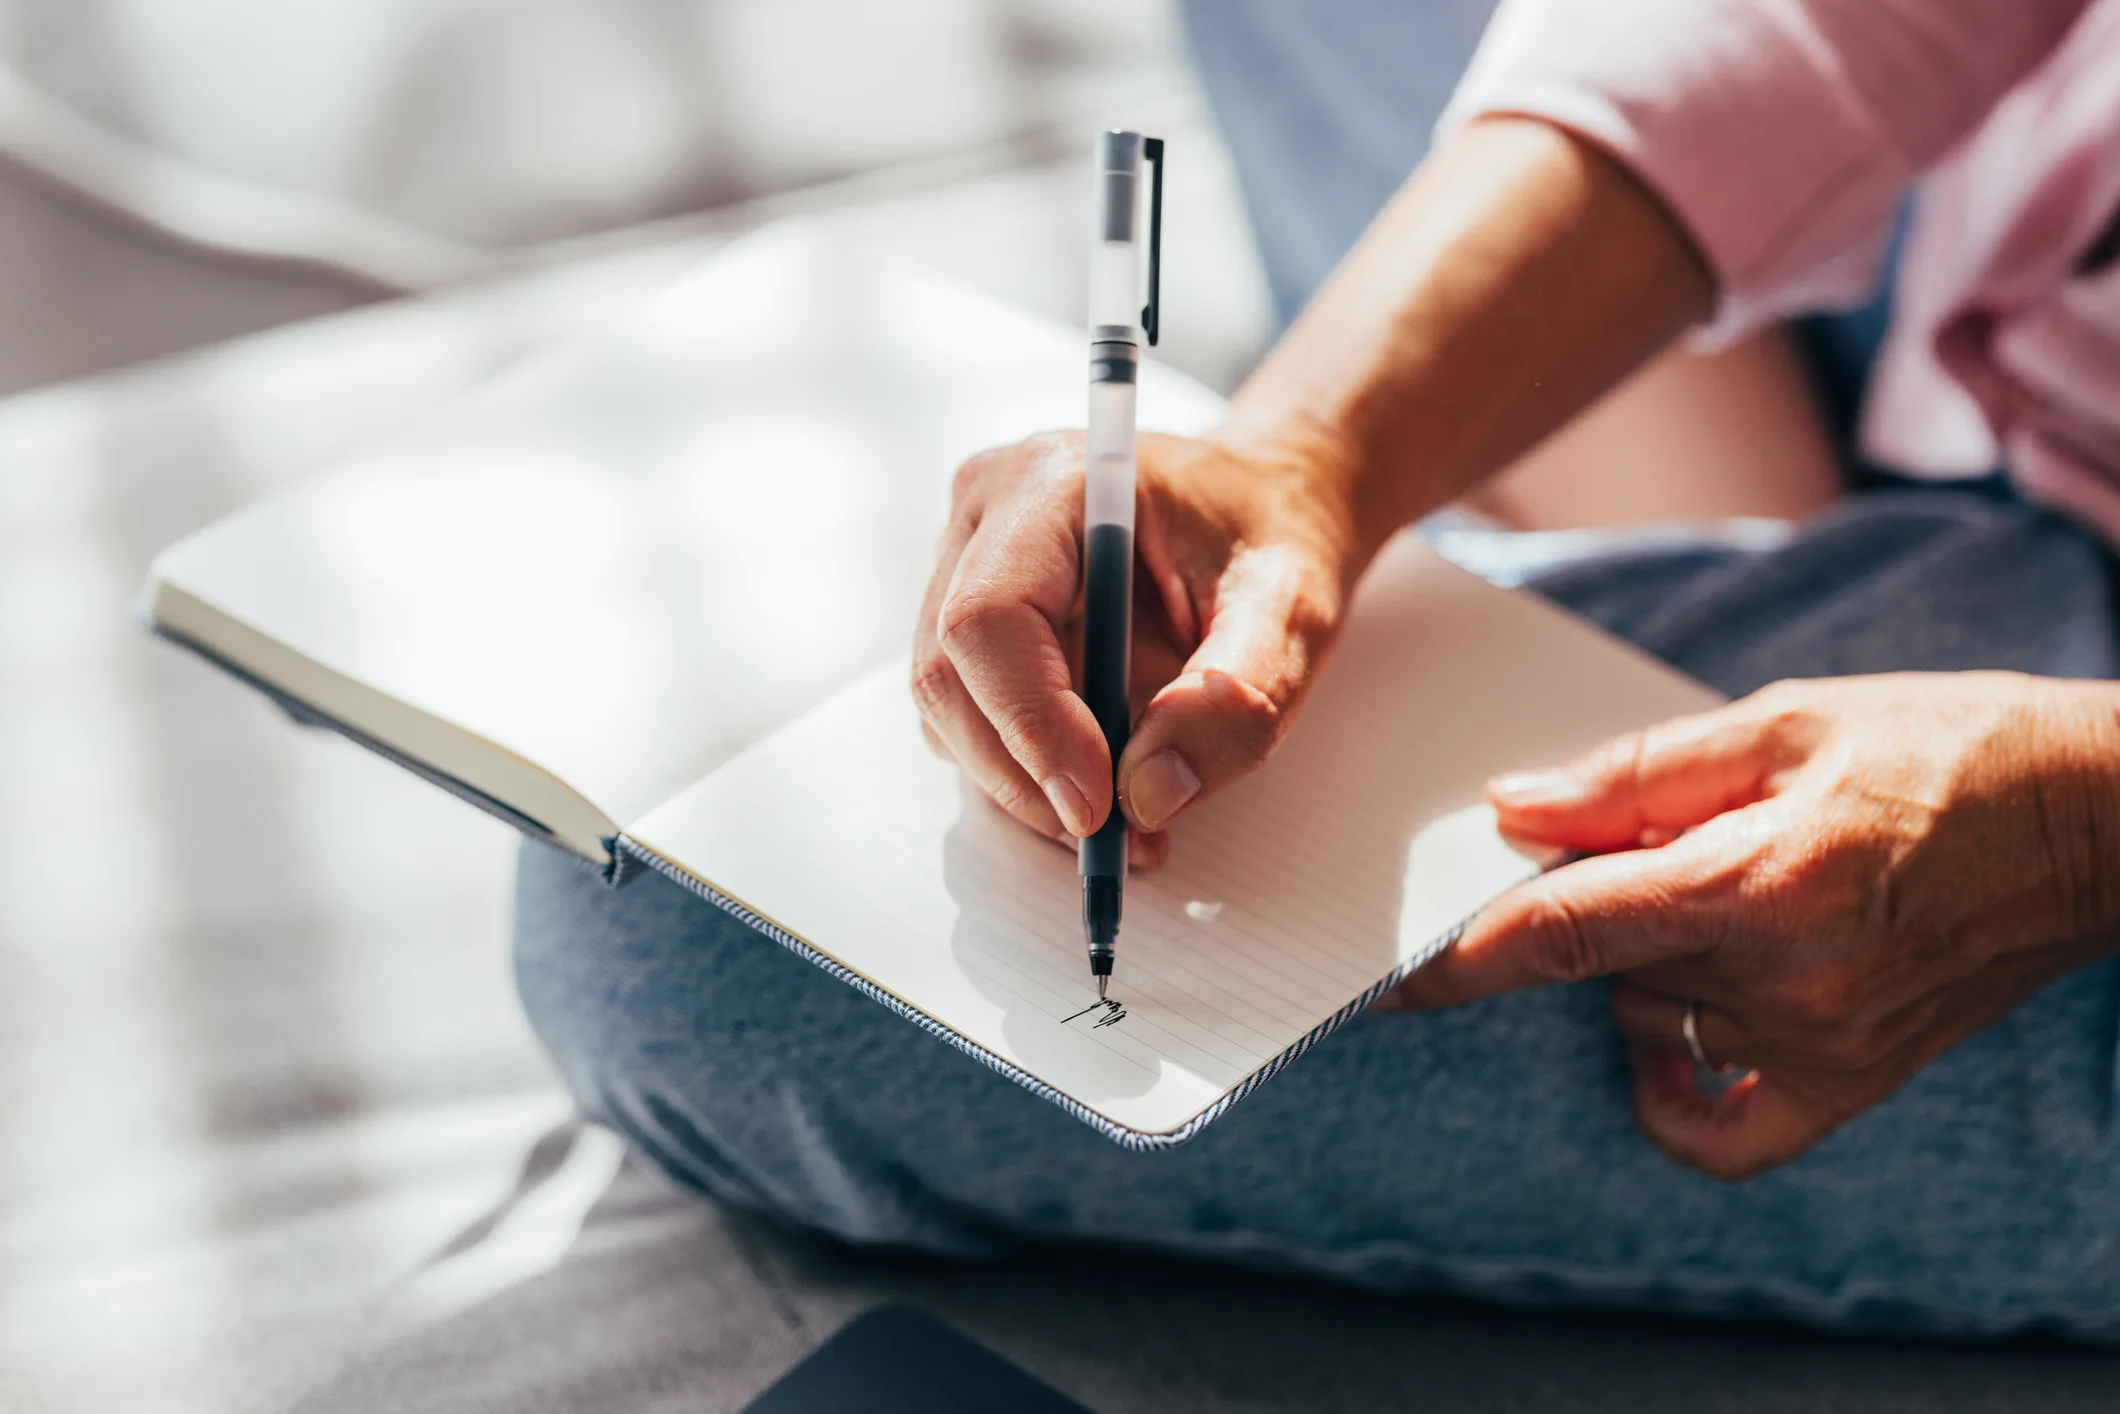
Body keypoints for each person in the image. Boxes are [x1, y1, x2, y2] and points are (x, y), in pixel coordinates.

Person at [516, 0, 2120, 1338]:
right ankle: (1723, 541)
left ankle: (1722, 554)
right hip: (2039, 259)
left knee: (677, 926)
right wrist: (1307, 452)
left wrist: (2067, 821)